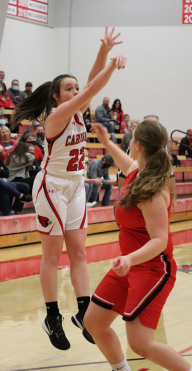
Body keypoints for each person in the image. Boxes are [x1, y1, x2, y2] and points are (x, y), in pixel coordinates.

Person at [10, 26, 125, 350]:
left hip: (74, 186)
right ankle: (52, 316)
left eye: (76, 87)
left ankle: (83, 312)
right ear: (57, 97)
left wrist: (103, 50)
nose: (76, 91)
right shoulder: (56, 117)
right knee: (52, 256)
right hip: (51, 187)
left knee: (78, 252)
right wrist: (111, 65)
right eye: (69, 88)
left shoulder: (78, 111)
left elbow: (88, 84)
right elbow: (91, 88)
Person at [84, 121, 191, 371]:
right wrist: (107, 143)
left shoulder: (153, 191)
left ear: (138, 145)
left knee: (141, 344)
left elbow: (159, 241)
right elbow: (125, 162)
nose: (128, 144)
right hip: (129, 264)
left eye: (130, 140)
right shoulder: (136, 172)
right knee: (94, 322)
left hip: (153, 268)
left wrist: (130, 259)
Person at [0, 137, 31, 213]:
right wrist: (0, 170)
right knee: (6, 189)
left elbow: (6, 173)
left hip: (3, 182)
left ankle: (16, 210)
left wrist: (0, 170)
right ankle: (6, 214)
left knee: (25, 187)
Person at [118, 121, 139, 190]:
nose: (136, 128)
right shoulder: (128, 134)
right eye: (134, 126)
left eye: (137, 127)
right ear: (130, 127)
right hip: (126, 156)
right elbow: (129, 145)